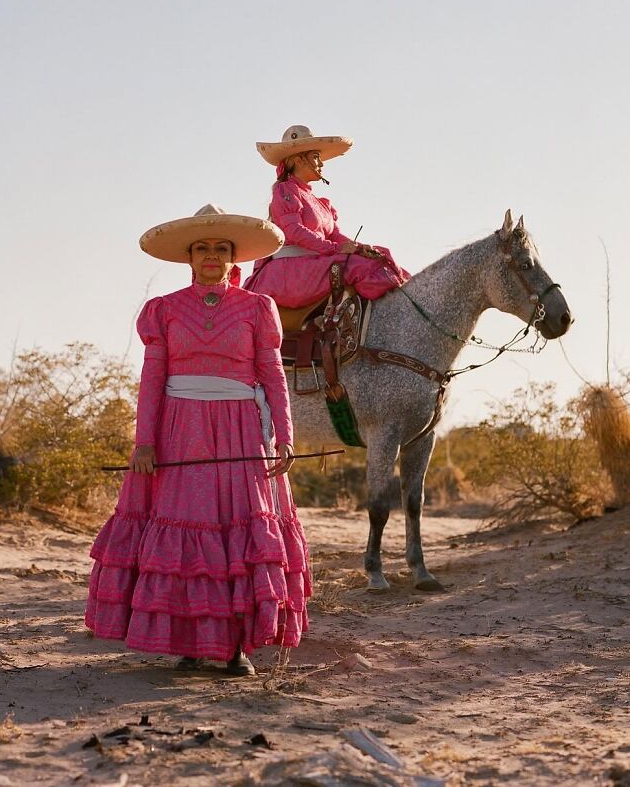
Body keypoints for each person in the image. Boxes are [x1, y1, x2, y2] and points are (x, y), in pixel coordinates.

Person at [85, 205, 311, 677]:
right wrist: (143, 442)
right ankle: (190, 642)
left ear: (234, 259)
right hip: (179, 431)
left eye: (222, 249)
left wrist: (285, 436)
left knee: (235, 530)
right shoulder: (164, 309)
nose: (213, 256)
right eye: (203, 248)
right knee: (188, 527)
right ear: (190, 258)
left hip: (241, 429)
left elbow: (271, 373)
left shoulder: (257, 308)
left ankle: (234, 649)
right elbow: (153, 378)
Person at [244, 125, 411, 309]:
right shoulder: (285, 190)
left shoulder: (321, 202)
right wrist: (336, 249)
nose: (321, 163)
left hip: (316, 264)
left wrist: (358, 248)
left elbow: (335, 235)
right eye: (316, 157)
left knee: (379, 256)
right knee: (361, 267)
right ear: (299, 160)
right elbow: (294, 231)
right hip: (288, 273)